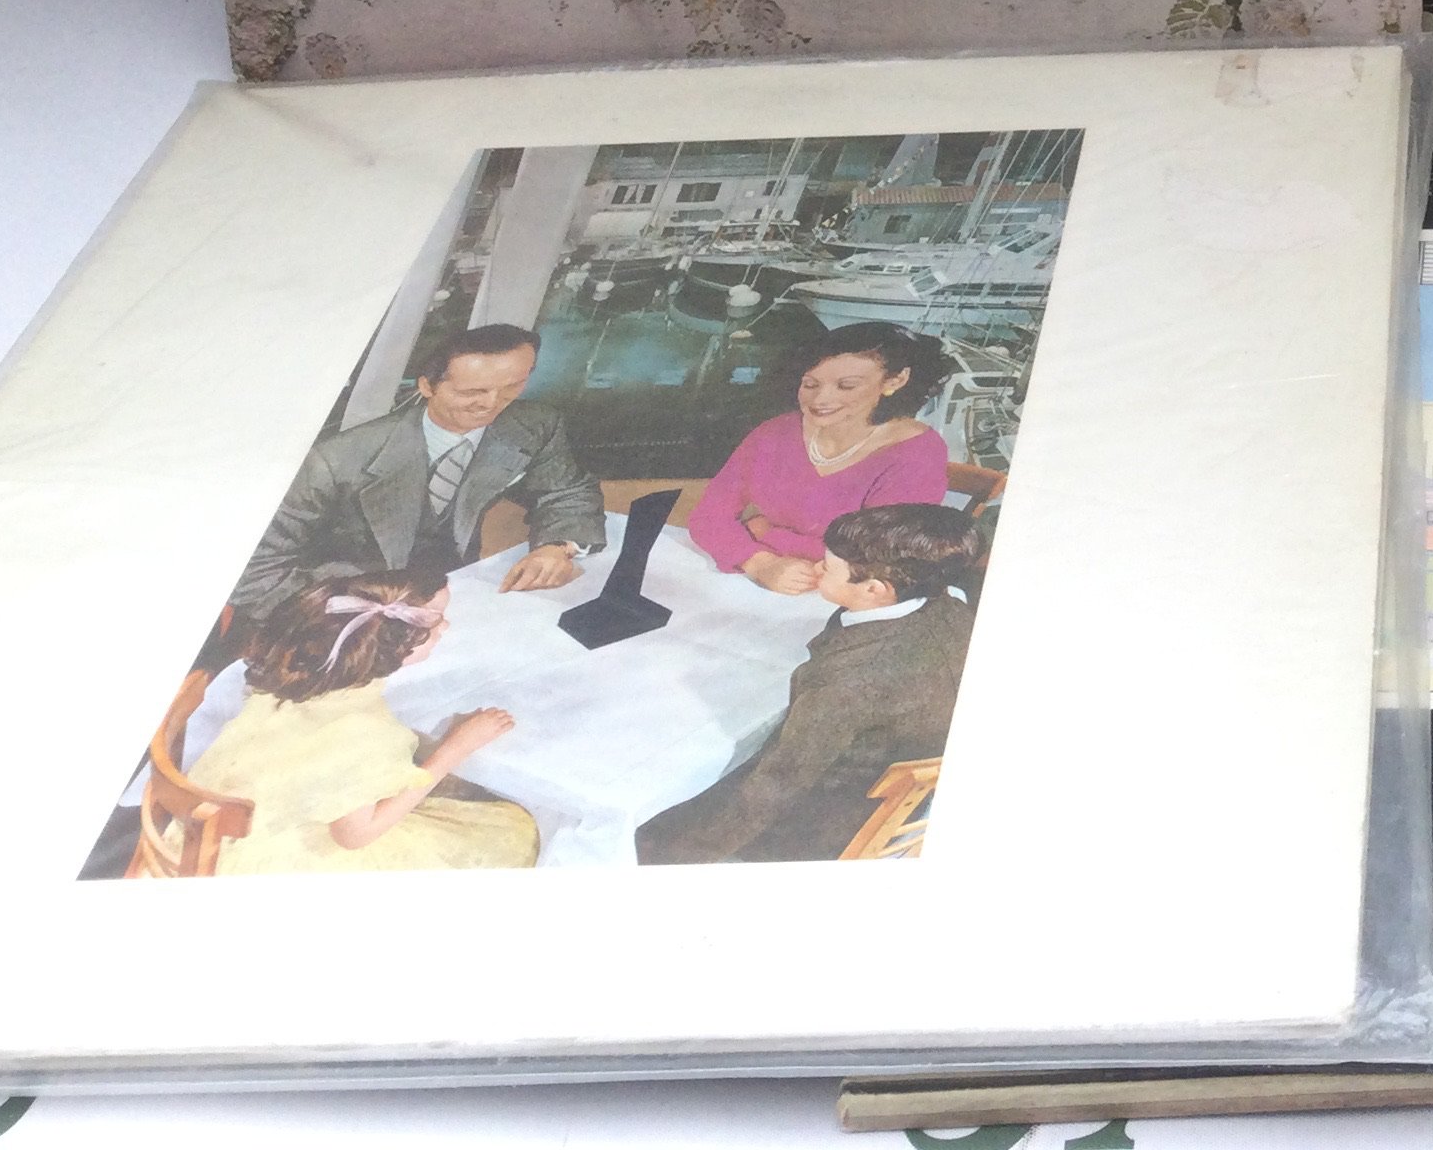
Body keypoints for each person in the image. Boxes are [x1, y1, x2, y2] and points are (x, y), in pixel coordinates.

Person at [636, 504, 982, 864]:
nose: (816, 568)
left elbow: (777, 784)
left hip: (819, 830)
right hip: (887, 785)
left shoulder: (851, 682)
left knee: (656, 815)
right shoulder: (950, 606)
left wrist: (673, 856)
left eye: (827, 567)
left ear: (873, 590)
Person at [184, 572, 537, 875]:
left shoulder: (304, 676)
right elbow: (354, 836)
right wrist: (455, 748)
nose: (446, 626)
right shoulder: (369, 732)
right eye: (435, 621)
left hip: (218, 823)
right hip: (271, 861)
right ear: (399, 645)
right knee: (511, 833)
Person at [237, 323, 602, 614]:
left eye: (512, 387)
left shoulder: (536, 425)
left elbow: (566, 491)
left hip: (457, 594)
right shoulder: (333, 461)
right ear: (427, 386)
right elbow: (255, 573)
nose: (492, 405)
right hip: (349, 609)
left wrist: (558, 546)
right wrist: (352, 610)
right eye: (472, 392)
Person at [689, 310, 999, 595]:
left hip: (846, 597)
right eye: (810, 384)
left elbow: (875, 559)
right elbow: (707, 516)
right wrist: (760, 562)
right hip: (762, 579)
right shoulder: (775, 432)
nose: (821, 399)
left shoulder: (918, 453)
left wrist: (765, 533)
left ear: (896, 380)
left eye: (846, 386)